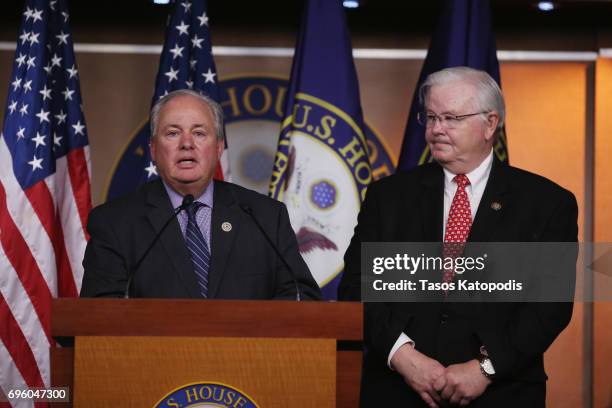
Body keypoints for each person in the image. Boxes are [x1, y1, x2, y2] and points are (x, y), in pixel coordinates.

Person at [338, 67, 578, 407]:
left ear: (490, 123)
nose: (436, 129)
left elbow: (549, 307)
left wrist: (485, 368)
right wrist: (403, 356)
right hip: (397, 391)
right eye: (431, 117)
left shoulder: (547, 203)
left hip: (501, 393)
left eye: (451, 118)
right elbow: (356, 286)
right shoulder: (387, 197)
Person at [81, 89, 321, 300]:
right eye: (173, 133)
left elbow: (301, 297)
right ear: (153, 149)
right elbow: (99, 314)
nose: (187, 143)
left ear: (218, 148)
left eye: (199, 133)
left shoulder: (265, 216)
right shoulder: (115, 223)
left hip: (247, 352)